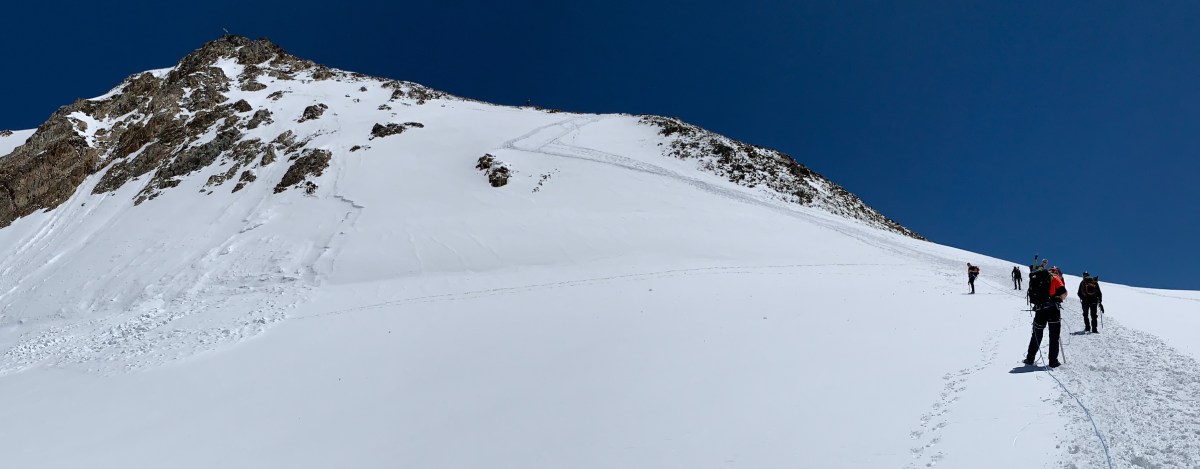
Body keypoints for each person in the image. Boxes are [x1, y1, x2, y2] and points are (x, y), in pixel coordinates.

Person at [1024, 266, 1068, 367]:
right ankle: (1053, 361)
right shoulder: (1055, 278)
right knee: (1054, 336)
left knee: (1036, 334)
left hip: (1040, 310)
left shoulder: (1039, 278)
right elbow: (1064, 293)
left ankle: (1030, 358)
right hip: (1053, 310)